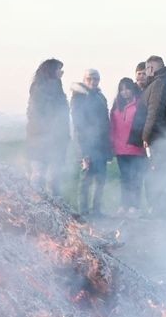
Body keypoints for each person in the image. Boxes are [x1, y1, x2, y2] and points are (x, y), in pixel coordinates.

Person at [134, 55, 166, 216]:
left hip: (159, 137)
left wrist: (146, 136)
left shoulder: (159, 83)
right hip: (164, 135)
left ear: (150, 69)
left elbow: (154, 112)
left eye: (147, 68)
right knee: (161, 172)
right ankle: (161, 208)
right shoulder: (165, 81)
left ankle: (159, 209)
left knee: (157, 172)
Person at [69, 69, 111, 216]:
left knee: (101, 179)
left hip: (101, 146)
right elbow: (78, 126)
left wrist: (108, 148)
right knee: (86, 180)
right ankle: (84, 212)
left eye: (96, 79)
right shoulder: (78, 98)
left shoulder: (101, 97)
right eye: (90, 79)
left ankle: (97, 210)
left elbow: (106, 123)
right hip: (87, 145)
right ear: (84, 79)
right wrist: (83, 153)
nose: (93, 82)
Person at [25, 61, 70, 197]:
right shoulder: (39, 89)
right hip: (40, 140)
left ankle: (57, 210)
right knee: (39, 174)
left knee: (55, 175)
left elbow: (62, 115)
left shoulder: (57, 87)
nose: (61, 73)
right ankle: (35, 205)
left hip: (57, 140)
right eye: (59, 70)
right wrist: (48, 133)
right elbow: (36, 115)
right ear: (51, 70)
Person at [110, 78, 147, 215]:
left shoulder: (140, 105)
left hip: (136, 149)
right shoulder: (115, 106)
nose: (125, 92)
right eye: (122, 90)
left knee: (136, 178)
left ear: (132, 89)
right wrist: (112, 144)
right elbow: (112, 127)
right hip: (120, 149)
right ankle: (124, 205)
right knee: (124, 178)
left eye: (127, 89)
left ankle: (135, 206)